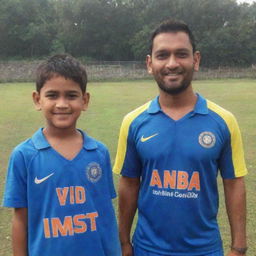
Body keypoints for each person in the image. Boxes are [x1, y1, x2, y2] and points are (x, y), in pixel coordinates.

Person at [113, 19, 247, 256]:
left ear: (195, 60)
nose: (172, 63)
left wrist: (238, 246)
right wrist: (123, 240)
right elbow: (129, 183)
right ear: (149, 63)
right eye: (162, 55)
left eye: (181, 54)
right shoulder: (133, 122)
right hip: (147, 249)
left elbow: (234, 183)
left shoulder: (224, 121)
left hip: (205, 250)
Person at [3, 54, 121, 256]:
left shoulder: (99, 153)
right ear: (37, 99)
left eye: (71, 95)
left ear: (85, 100)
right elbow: (21, 220)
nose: (62, 104)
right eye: (52, 95)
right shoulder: (24, 156)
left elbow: (105, 214)